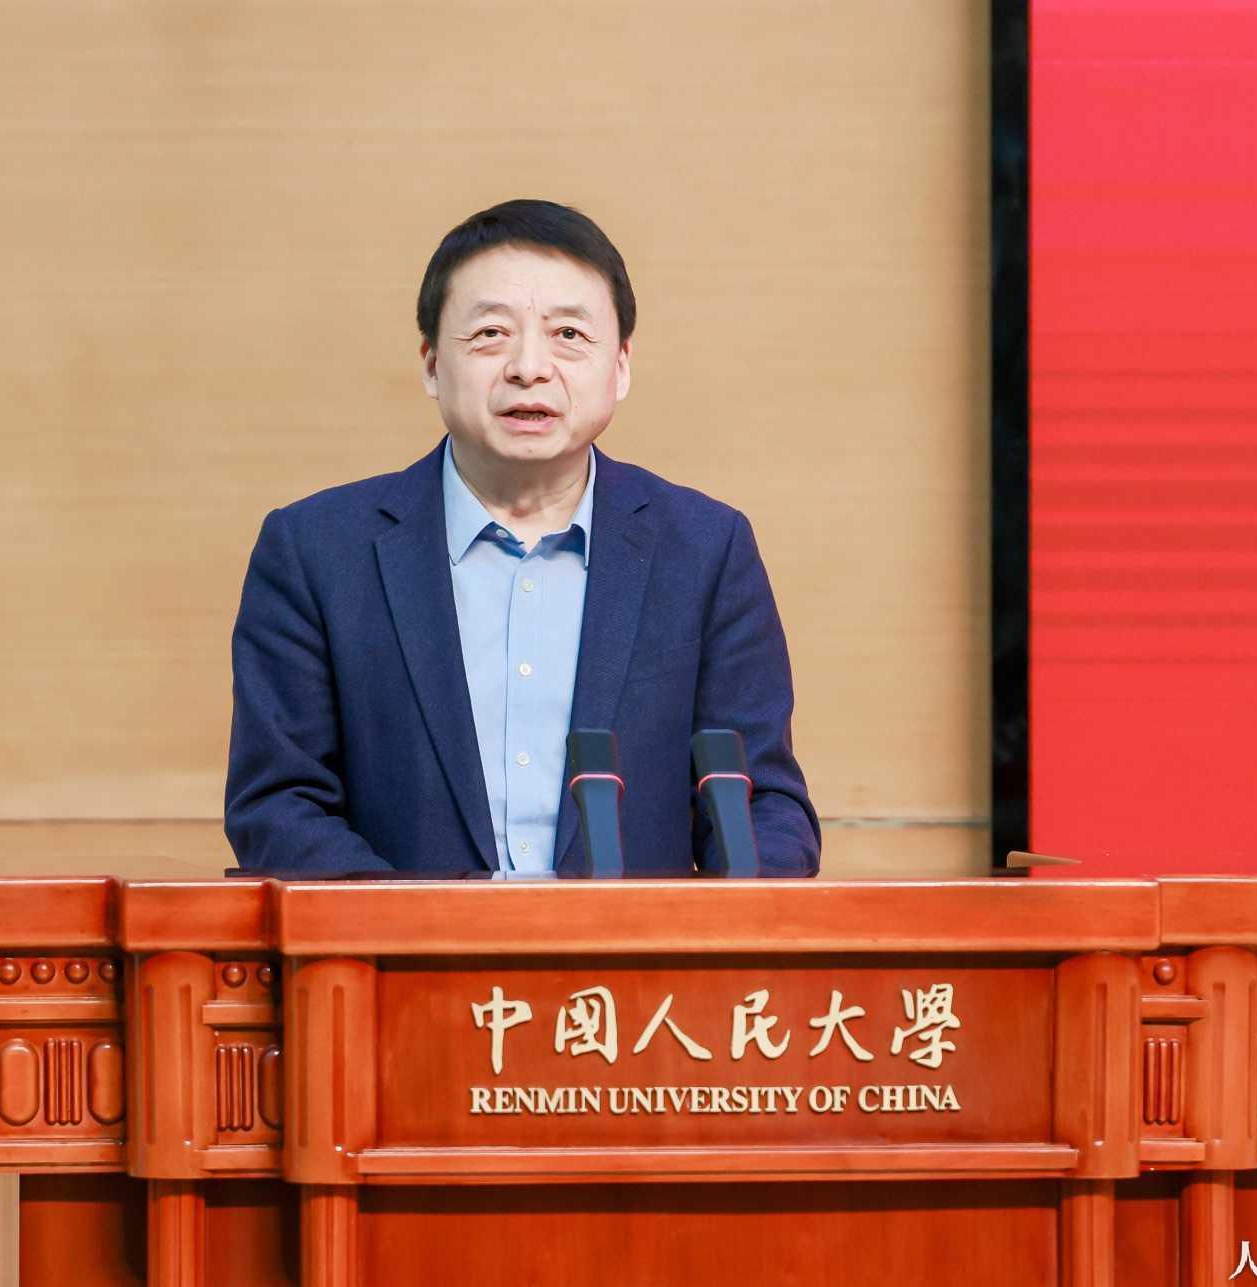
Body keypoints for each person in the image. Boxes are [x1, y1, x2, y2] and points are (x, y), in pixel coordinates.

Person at [224, 199, 819, 877]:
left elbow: (762, 801)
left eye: (569, 334)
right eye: (490, 334)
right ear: (430, 364)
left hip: (638, 949)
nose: (529, 367)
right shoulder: (315, 552)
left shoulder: (706, 550)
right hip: (399, 946)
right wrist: (421, 926)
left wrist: (734, 918)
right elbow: (278, 804)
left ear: (621, 365)